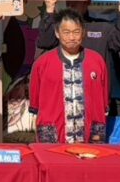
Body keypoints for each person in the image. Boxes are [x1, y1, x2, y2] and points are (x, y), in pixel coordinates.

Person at [36, 0, 120, 117]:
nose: (71, 3)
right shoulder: (59, 26)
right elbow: (45, 42)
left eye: (77, 0)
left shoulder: (101, 27)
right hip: (63, 103)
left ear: (87, 2)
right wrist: (49, 11)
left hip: (95, 104)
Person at [29, 9, 110, 144]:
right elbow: (35, 103)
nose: (71, 37)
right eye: (66, 32)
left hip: (91, 132)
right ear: (57, 33)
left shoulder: (97, 61)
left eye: (76, 32)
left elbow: (104, 98)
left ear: (83, 32)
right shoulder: (42, 63)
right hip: (52, 132)